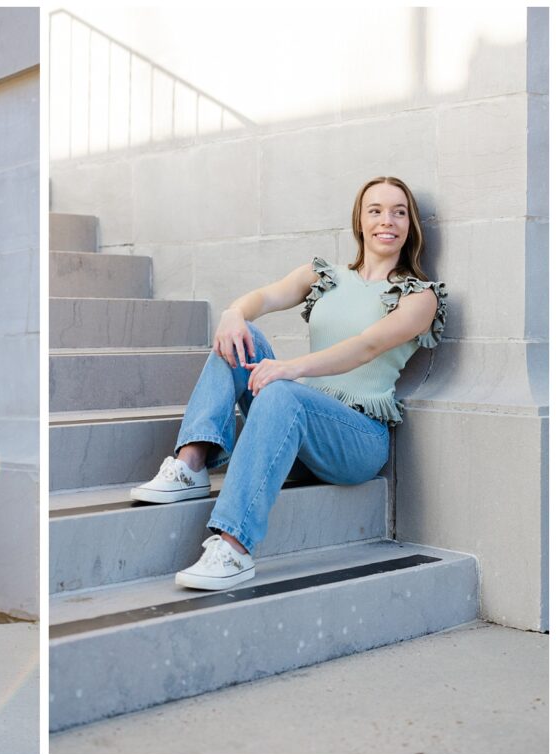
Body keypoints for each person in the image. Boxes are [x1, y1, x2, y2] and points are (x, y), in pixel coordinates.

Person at [130, 176, 447, 591]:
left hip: (356, 439)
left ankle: (234, 547)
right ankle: (191, 463)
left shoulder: (419, 296)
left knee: (283, 390)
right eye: (376, 210)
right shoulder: (324, 275)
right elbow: (263, 298)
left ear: (410, 225)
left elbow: (367, 346)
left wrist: (292, 369)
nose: (386, 221)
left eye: (398, 212)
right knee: (241, 340)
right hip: (293, 429)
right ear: (360, 220)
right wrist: (233, 314)